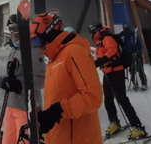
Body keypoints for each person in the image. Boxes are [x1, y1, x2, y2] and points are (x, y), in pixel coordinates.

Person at [30, 11, 103, 144]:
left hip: (78, 138)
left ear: (50, 32)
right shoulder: (56, 58)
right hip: (61, 136)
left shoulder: (75, 52)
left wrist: (57, 112)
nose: (37, 46)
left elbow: (93, 96)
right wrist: (46, 117)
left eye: (37, 39)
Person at [0, 14, 45, 144]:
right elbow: (12, 77)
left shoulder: (32, 50)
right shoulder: (14, 49)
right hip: (11, 105)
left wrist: (20, 85)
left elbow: (42, 79)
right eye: (11, 29)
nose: (13, 33)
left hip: (26, 108)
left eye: (16, 29)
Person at [90, 23, 148, 140]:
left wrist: (100, 61)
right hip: (107, 72)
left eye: (92, 32)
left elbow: (112, 51)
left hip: (116, 72)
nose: (92, 34)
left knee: (122, 99)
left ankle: (137, 127)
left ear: (97, 30)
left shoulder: (107, 38)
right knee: (108, 99)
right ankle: (114, 122)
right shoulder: (100, 41)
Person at [117, 23, 147, 91]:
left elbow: (139, 44)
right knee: (132, 70)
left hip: (136, 54)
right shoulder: (123, 35)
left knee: (140, 69)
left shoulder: (134, 34)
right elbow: (122, 44)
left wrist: (139, 53)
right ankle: (134, 83)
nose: (126, 29)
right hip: (129, 55)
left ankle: (144, 83)